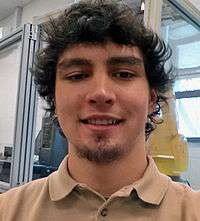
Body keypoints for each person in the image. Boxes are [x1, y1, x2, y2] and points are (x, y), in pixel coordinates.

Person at [0, 0, 199, 220]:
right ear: (54, 99)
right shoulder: (8, 210)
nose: (101, 93)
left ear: (152, 99)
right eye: (77, 75)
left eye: (124, 74)